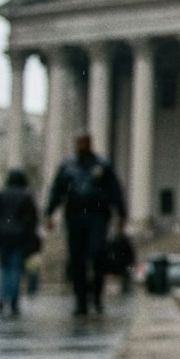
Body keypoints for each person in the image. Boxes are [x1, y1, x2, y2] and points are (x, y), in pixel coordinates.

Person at [46, 134, 126, 315]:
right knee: (77, 259)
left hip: (97, 215)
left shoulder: (102, 164)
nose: (82, 145)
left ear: (90, 144)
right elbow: (57, 190)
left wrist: (121, 214)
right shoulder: (67, 166)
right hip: (74, 216)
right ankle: (80, 301)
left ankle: (97, 297)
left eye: (85, 142)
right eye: (79, 142)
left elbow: (115, 190)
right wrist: (49, 213)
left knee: (97, 253)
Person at [0, 168, 39, 316]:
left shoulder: (0, 194)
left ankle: (1, 298)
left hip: (1, 236)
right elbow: (32, 220)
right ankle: (13, 301)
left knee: (2, 268)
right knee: (15, 269)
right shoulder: (26, 196)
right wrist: (31, 238)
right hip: (19, 237)